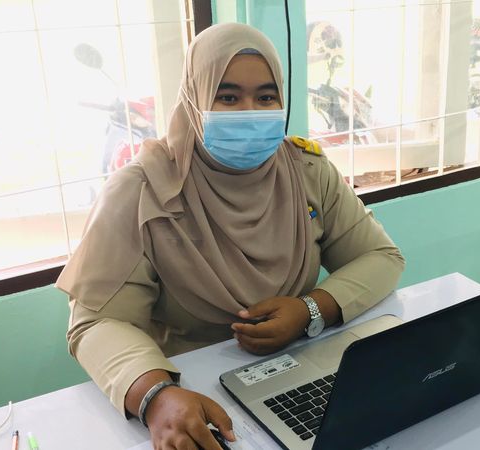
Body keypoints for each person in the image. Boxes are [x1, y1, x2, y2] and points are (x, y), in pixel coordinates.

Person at [56, 23, 405, 450]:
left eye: (266, 97)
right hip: (194, 390)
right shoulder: (142, 190)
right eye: (227, 97)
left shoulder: (306, 170)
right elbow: (95, 322)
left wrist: (310, 310)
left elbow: (380, 256)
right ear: (195, 99)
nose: (249, 112)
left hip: (299, 369)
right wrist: (155, 396)